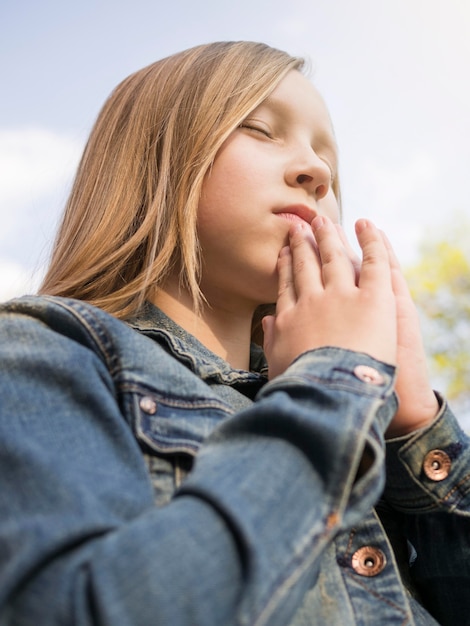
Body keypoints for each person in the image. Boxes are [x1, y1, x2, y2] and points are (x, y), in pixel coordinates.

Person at [0, 41, 468, 626]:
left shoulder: (368, 430)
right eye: (262, 129)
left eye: (326, 157)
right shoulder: (42, 350)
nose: (317, 172)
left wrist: (415, 426)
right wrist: (332, 383)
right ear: (155, 158)